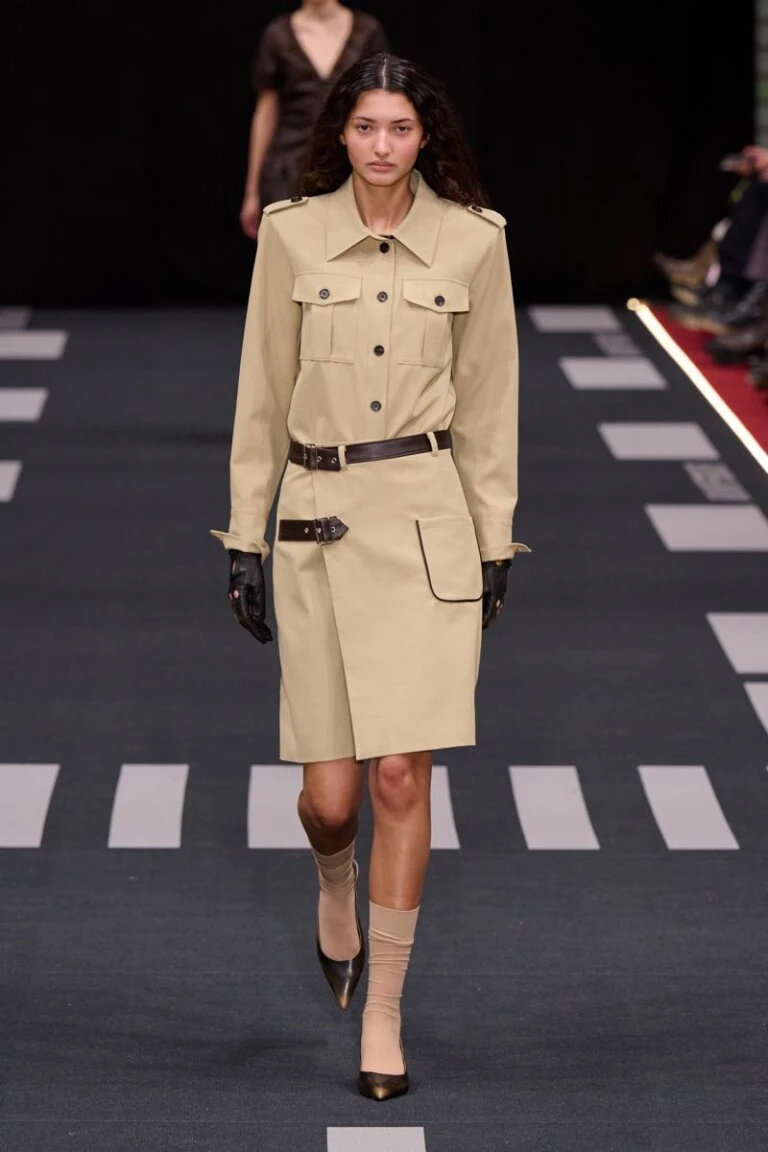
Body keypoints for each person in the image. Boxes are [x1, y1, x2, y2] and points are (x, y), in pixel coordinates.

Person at [212, 51, 530, 1100]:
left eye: (400, 127)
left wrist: (493, 540)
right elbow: (262, 391)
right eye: (365, 128)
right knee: (330, 800)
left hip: (427, 528)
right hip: (319, 524)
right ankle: (332, 879)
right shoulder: (294, 234)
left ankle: (384, 1014)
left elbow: (490, 402)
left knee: (402, 775)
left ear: (425, 135)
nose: (382, 145)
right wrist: (245, 536)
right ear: (340, 135)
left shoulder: (474, 241)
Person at [239, 0, 389, 239]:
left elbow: (384, 102)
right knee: (287, 249)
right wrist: (252, 191)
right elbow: (266, 112)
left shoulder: (367, 31)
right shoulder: (278, 34)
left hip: (348, 165)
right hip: (287, 164)